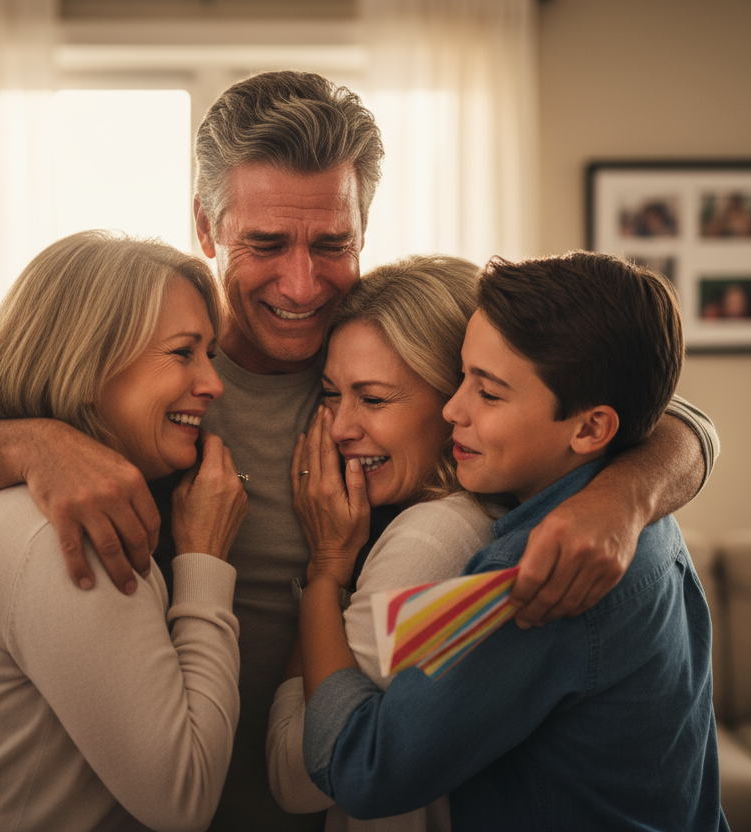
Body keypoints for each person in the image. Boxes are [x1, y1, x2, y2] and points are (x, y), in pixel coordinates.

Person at [0, 71, 719, 831]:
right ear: (205, 223)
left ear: (363, 225)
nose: (302, 284)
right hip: (162, 800)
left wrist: (624, 498)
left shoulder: (398, 349)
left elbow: (640, 402)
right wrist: (35, 451)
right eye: (264, 244)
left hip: (332, 794)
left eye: (331, 243)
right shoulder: (138, 377)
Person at [300, 252, 728, 831]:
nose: (455, 409)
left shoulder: (533, 579)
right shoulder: (638, 506)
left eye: (489, 393)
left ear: (591, 428)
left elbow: (363, 767)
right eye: (462, 379)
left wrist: (324, 576)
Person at [0, 231, 248, 832]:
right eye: (184, 353)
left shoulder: (8, 504)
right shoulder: (65, 532)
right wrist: (205, 559)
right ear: (90, 365)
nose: (213, 383)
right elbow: (185, 797)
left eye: (209, 354)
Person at [266, 254, 494, 832]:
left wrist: (325, 571)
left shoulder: (433, 538)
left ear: (457, 403)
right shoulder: (468, 515)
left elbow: (297, 774)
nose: (340, 426)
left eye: (372, 399)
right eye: (330, 394)